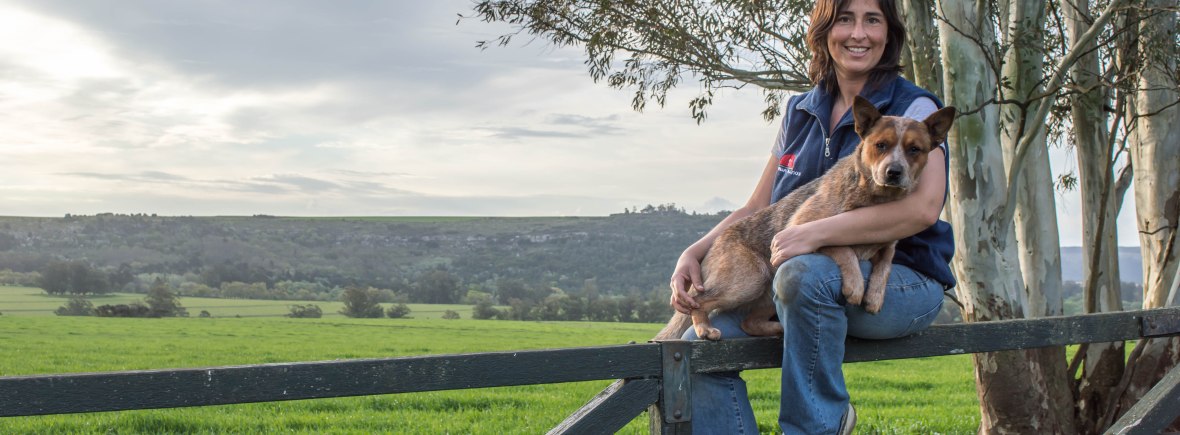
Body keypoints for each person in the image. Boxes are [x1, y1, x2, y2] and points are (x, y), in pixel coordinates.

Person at [667, 0, 956, 432]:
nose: (859, 33)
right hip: (795, 281)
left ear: (888, 33)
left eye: (872, 20)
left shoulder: (912, 109)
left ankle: (820, 423)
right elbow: (755, 208)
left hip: (902, 280)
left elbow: (922, 209)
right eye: (845, 19)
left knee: (804, 272)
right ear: (824, 29)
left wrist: (813, 234)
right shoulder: (800, 110)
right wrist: (693, 252)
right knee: (694, 349)